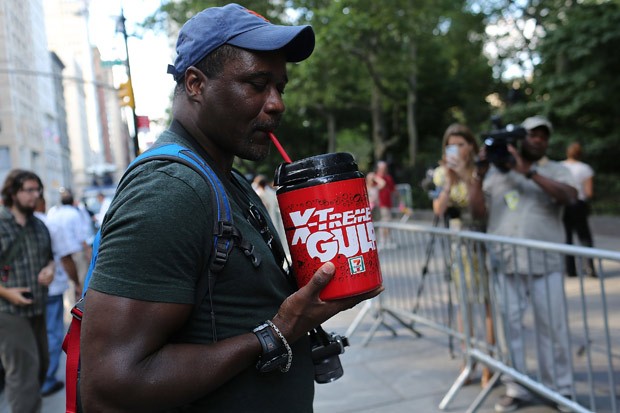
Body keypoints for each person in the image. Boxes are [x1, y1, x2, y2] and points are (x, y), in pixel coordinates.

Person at [80, 4, 382, 412]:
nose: (277, 104)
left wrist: (309, 294)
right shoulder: (169, 191)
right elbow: (110, 385)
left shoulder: (225, 177)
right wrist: (276, 332)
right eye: (257, 84)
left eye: (280, 87)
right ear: (195, 85)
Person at [470, 115, 577, 412]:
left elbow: (570, 197)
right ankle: (517, 386)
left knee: (552, 328)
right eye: (533, 134)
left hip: (546, 263)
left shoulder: (557, 169)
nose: (538, 140)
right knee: (509, 329)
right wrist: (478, 174)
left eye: (544, 136)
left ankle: (561, 388)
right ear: (521, 138)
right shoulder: (495, 171)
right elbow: (477, 212)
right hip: (505, 263)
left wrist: (527, 173)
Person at [432, 123, 492, 387]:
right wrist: (450, 180)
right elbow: (438, 209)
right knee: (464, 304)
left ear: (472, 146)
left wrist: (468, 177)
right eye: (451, 145)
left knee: (489, 304)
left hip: (485, 242)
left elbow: (481, 209)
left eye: (461, 144)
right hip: (460, 247)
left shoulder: (482, 172)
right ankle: (469, 360)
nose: (456, 149)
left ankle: (490, 361)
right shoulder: (442, 174)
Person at [0, 169, 54, 413]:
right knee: (23, 373)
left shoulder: (39, 226)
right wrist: (7, 293)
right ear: (13, 193)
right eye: (29, 190)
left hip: (38, 307)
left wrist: (50, 270)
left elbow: (50, 259)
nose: (36, 195)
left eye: (37, 189)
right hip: (8, 311)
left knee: (42, 366)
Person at [40, 189, 84, 397]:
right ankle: (47, 378)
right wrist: (76, 283)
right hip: (53, 283)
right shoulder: (49, 220)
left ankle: (42, 376)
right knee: (53, 332)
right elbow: (67, 255)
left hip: (42, 288)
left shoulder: (49, 217)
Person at [561, 142, 596, 277]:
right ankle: (590, 268)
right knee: (585, 237)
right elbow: (589, 192)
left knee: (567, 238)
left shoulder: (560, 167)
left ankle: (570, 270)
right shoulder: (585, 168)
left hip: (564, 204)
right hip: (579, 204)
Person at [373, 160, 396, 248]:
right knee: (384, 222)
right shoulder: (375, 178)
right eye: (382, 168)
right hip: (380, 204)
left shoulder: (388, 177)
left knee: (387, 221)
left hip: (387, 203)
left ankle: (387, 240)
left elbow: (393, 189)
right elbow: (382, 184)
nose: (384, 169)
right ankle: (383, 240)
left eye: (385, 168)